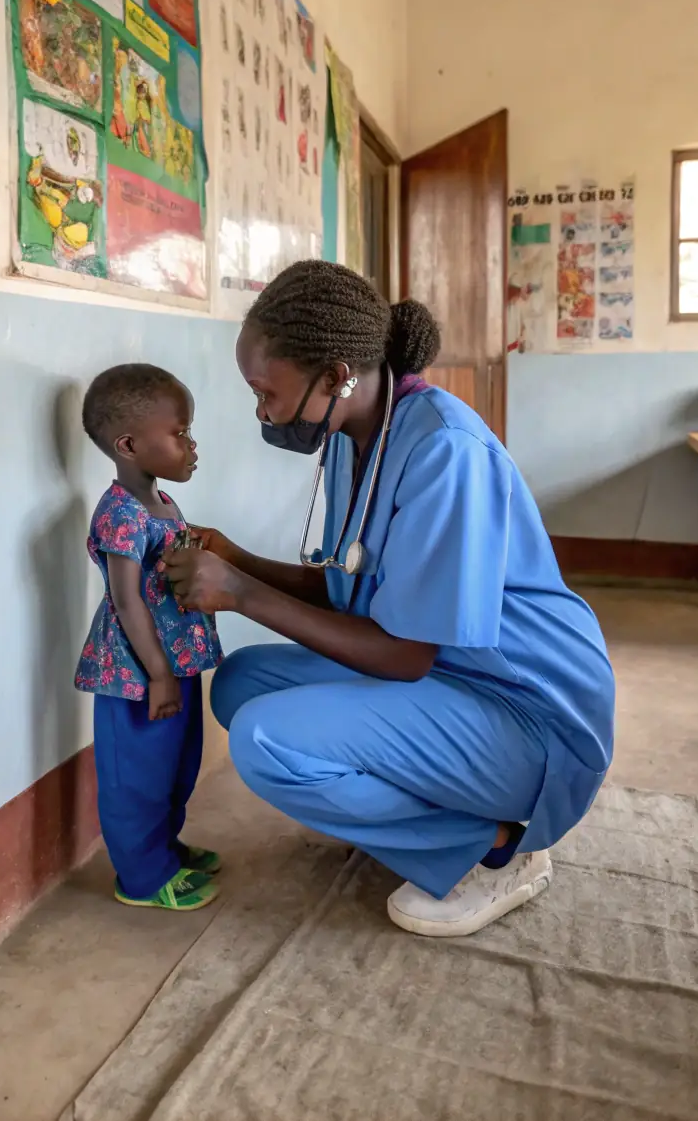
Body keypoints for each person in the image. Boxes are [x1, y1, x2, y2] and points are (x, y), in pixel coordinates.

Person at [164, 262, 615, 938]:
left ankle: (492, 848)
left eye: (266, 391)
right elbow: (352, 584)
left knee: (265, 742)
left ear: (336, 373)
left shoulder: (443, 448)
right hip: (448, 677)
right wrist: (237, 558)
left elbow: (403, 652)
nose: (261, 411)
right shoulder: (355, 435)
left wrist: (241, 592)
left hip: (527, 711)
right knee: (240, 683)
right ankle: (419, 811)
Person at [77, 364, 224, 912]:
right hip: (137, 673)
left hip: (174, 663)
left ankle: (164, 849)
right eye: (180, 433)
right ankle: (140, 876)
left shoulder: (160, 503)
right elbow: (126, 598)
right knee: (136, 776)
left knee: (175, 766)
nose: (191, 445)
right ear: (129, 445)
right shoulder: (119, 513)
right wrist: (159, 673)